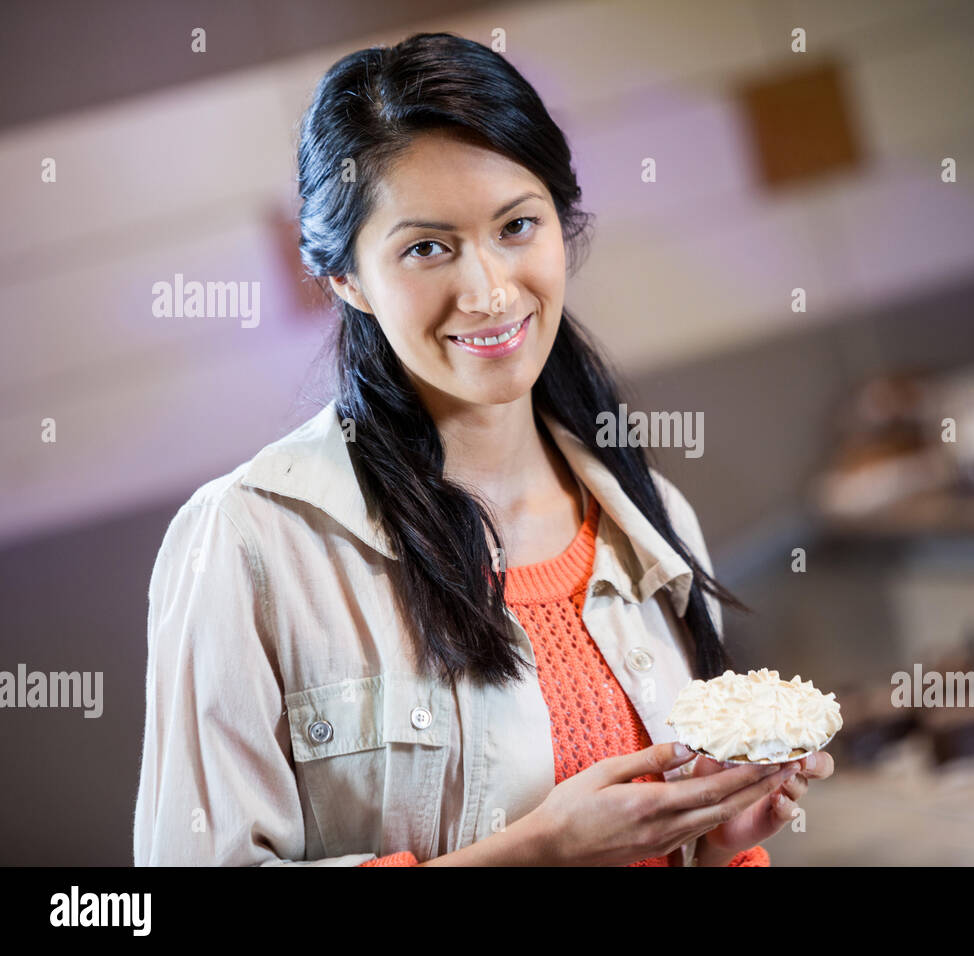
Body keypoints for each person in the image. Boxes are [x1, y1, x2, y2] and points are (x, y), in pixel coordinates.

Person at [133, 31, 832, 867]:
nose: (490, 290)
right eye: (427, 247)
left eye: (517, 226)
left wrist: (716, 838)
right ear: (346, 278)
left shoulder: (649, 518)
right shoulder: (250, 544)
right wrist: (535, 854)